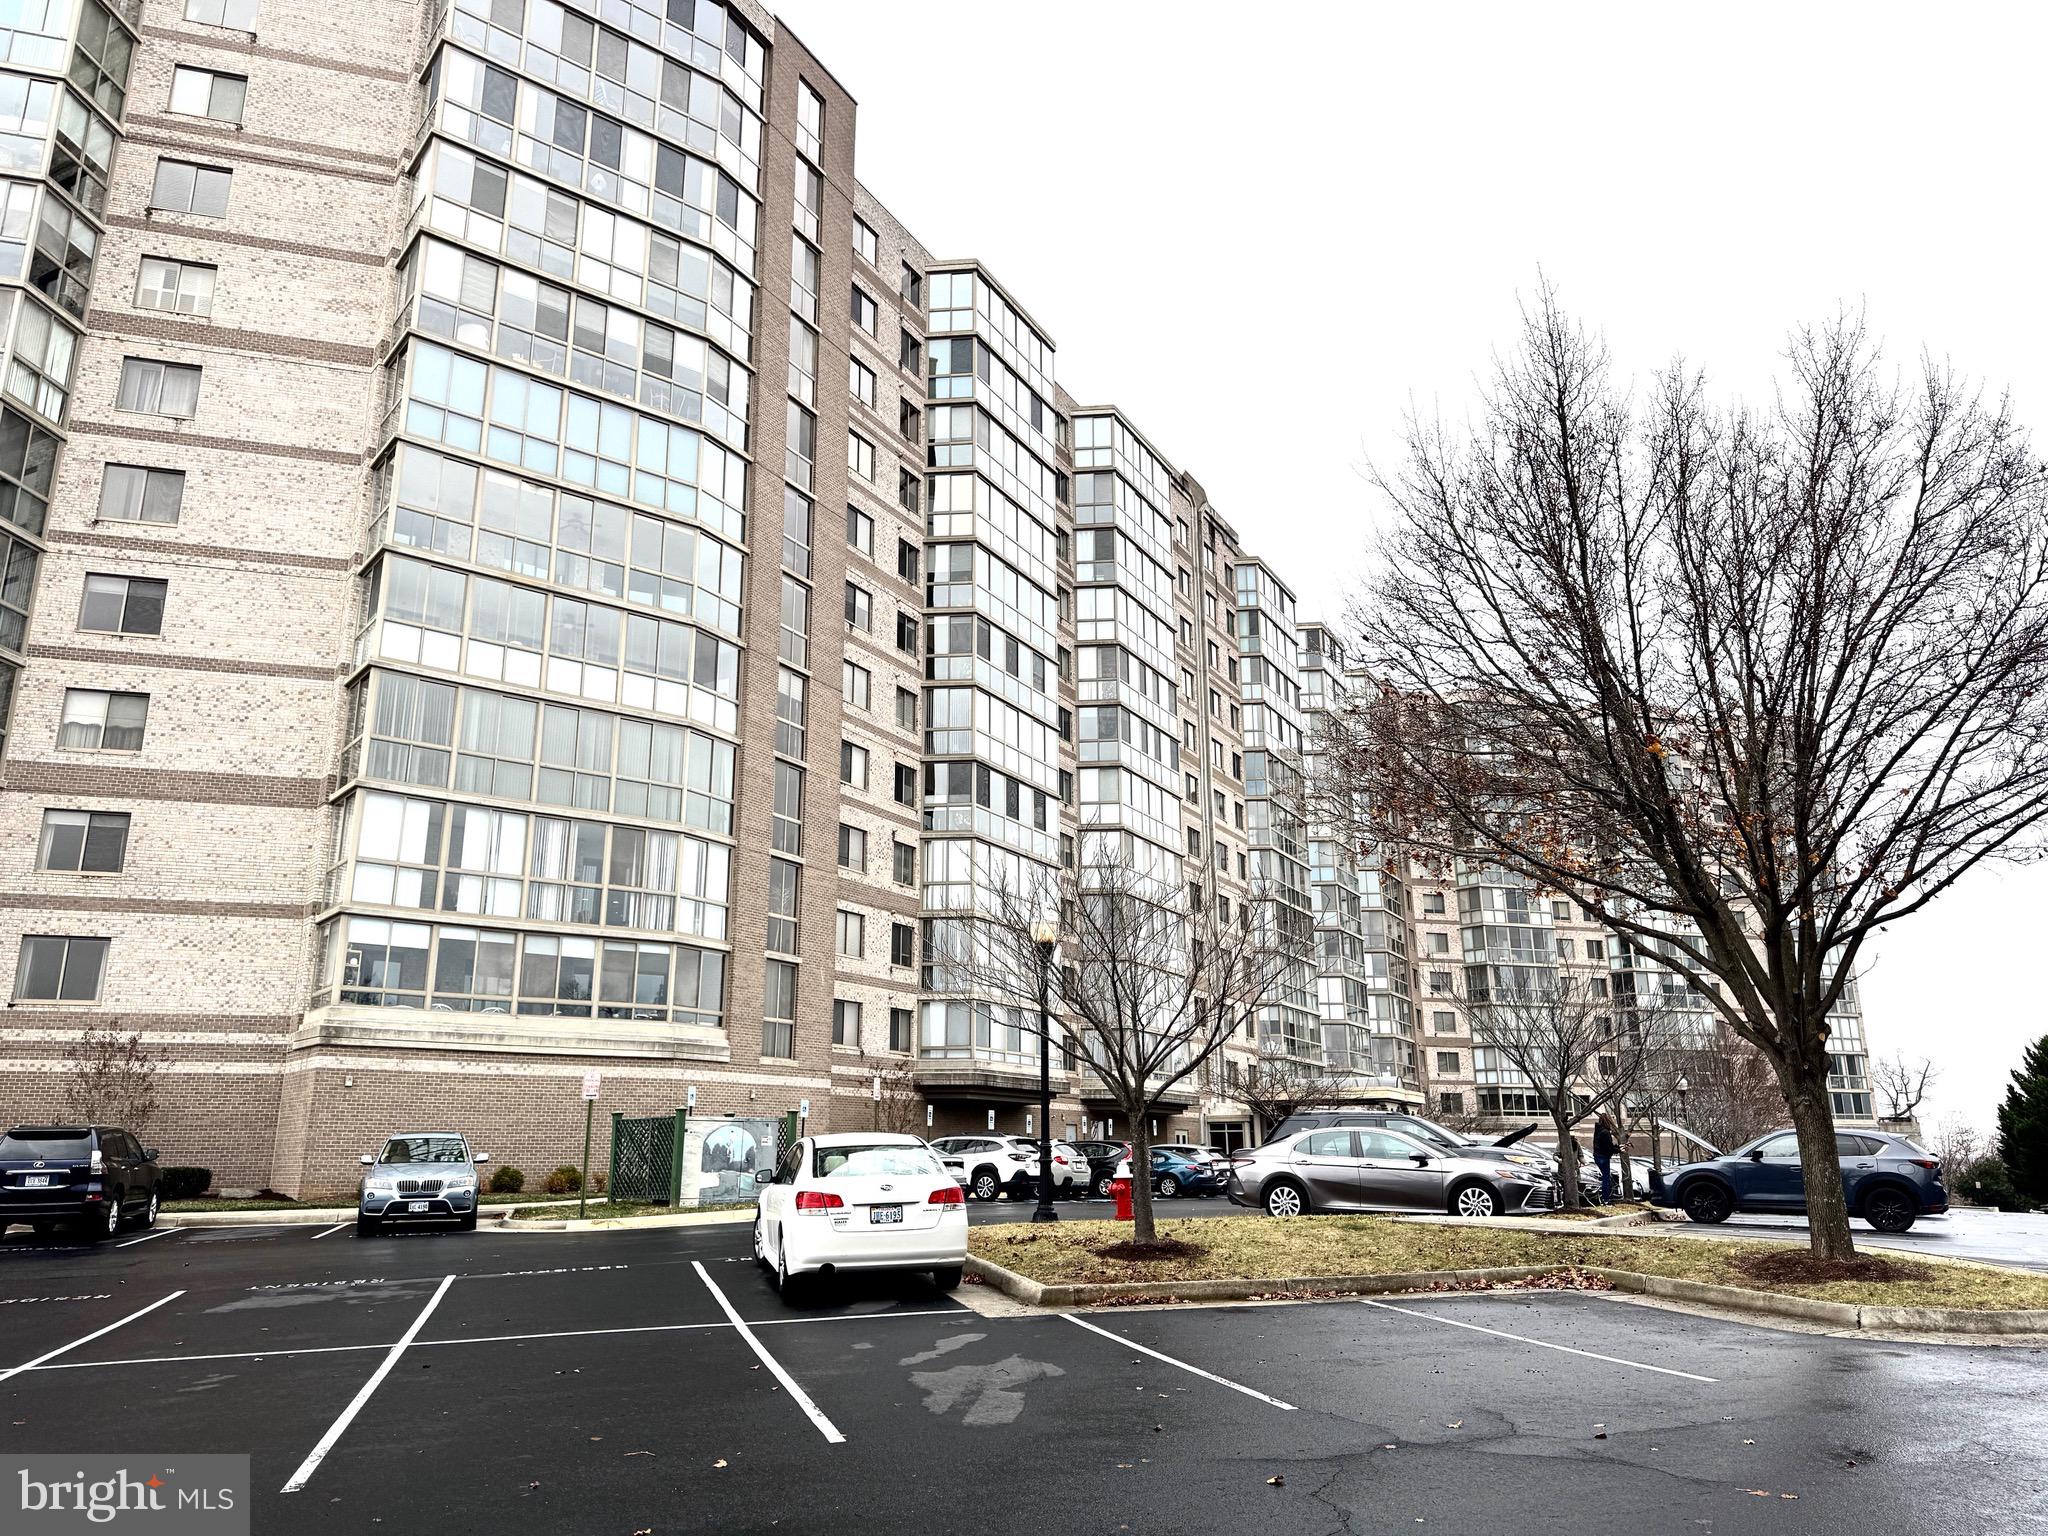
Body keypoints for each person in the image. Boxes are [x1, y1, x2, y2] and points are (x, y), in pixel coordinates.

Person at [1592, 1115, 1619, 1202]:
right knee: (1606, 1179)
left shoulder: (1598, 1131)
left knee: (1605, 1178)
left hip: (1597, 1156)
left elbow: (1604, 1145)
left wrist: (1616, 1148)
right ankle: (1606, 1199)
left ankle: (1604, 1197)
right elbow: (1608, 1148)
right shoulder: (1606, 1132)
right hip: (1603, 1157)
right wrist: (1619, 1150)